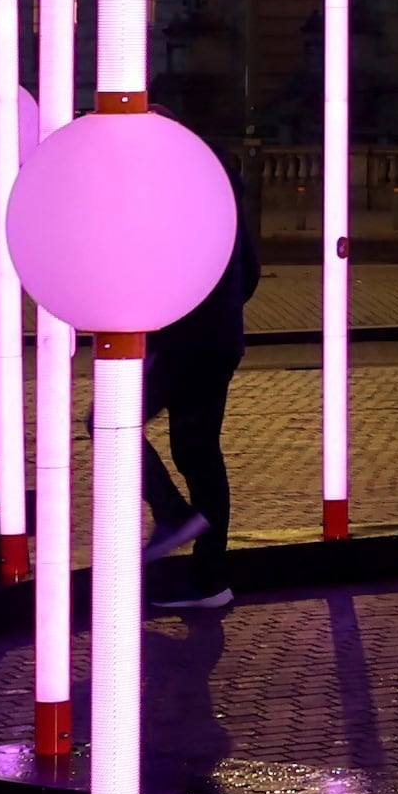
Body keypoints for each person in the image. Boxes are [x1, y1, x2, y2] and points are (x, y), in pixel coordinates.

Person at [135, 200, 266, 613]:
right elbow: (250, 268)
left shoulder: (169, 178)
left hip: (180, 337)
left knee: (109, 423)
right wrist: (221, 312)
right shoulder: (221, 181)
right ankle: (210, 579)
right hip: (219, 338)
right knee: (198, 452)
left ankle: (173, 512)